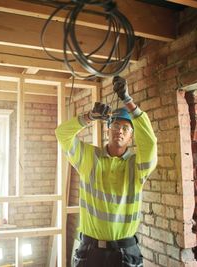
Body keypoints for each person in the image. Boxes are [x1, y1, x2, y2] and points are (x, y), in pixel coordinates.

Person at [55, 76, 157, 267]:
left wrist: (128, 100)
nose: (120, 131)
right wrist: (89, 117)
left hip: (125, 253)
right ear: (108, 130)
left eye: (126, 128)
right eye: (116, 126)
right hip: (90, 251)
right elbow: (62, 134)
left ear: (131, 136)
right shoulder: (89, 158)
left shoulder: (137, 166)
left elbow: (150, 143)